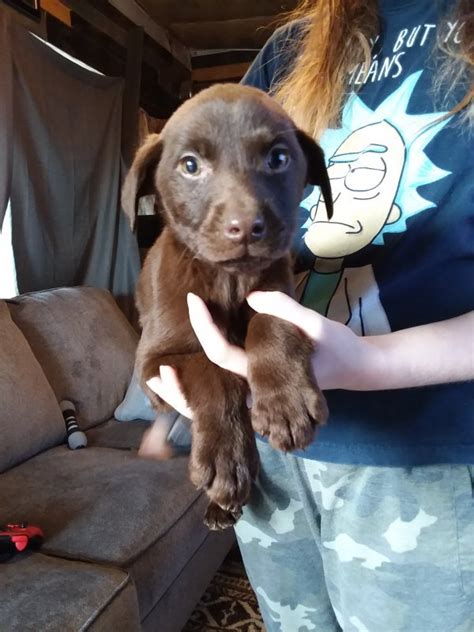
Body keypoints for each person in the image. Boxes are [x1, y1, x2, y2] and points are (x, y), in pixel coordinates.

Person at [141, 1, 474, 630]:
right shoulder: (297, 44)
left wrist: (374, 364)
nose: (244, 211)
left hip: (427, 453)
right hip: (280, 438)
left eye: (277, 161)